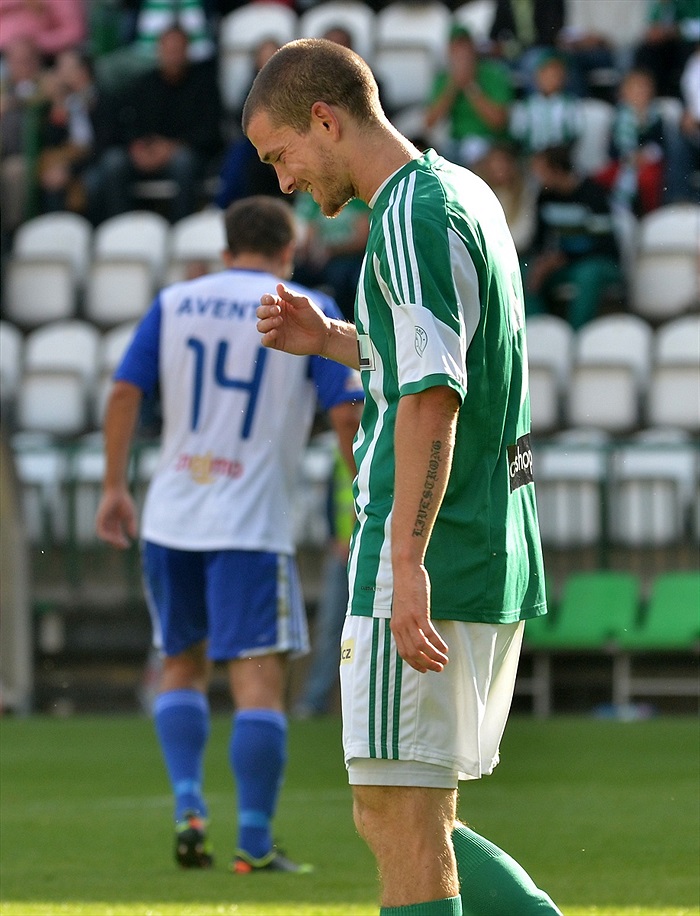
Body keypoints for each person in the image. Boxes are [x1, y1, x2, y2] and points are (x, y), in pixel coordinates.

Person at [244, 37, 562, 916]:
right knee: (409, 809)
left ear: (325, 119)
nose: (284, 182)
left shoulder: (406, 217)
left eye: (281, 156)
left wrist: (407, 561)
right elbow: (439, 357)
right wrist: (330, 340)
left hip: (428, 547)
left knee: (397, 813)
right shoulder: (461, 192)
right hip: (486, 533)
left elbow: (432, 398)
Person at [95, 195, 363, 873]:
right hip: (250, 521)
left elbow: (124, 392)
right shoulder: (305, 305)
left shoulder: (175, 302)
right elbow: (345, 412)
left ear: (226, 248)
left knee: (182, 665)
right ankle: (253, 842)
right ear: (289, 250)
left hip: (171, 515)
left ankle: (188, 804)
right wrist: (365, 491)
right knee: (259, 683)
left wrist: (114, 486)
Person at [92, 24, 222, 223]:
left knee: (183, 162)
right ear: (159, 51)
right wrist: (136, 147)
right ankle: (120, 228)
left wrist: (172, 147)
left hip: (183, 152)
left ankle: (182, 227)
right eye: (168, 50)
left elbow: (210, 132)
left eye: (177, 50)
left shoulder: (204, 85)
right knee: (113, 162)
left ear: (187, 51)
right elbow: (127, 124)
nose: (173, 56)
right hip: (145, 153)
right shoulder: (144, 84)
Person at [525, 144, 623, 329]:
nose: (536, 177)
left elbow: (605, 246)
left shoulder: (593, 193)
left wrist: (562, 259)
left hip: (600, 264)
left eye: (541, 172)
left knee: (588, 273)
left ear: (557, 170)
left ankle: (576, 334)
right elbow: (539, 241)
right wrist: (541, 263)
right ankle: (540, 331)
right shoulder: (545, 197)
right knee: (526, 270)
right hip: (566, 264)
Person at [424, 24, 513, 168]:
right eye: (456, 48)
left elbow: (499, 121)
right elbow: (430, 123)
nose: (461, 54)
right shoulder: (443, 79)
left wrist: (470, 86)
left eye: (465, 47)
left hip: (490, 142)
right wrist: (452, 87)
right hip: (456, 143)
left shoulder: (494, 73)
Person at [595, 68, 666, 215]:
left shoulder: (655, 117)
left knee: (648, 180)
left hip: (647, 163)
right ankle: (616, 215)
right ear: (624, 93)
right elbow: (612, 149)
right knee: (600, 179)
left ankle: (650, 215)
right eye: (634, 89)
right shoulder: (618, 117)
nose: (639, 93)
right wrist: (628, 157)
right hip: (623, 163)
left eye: (643, 88)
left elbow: (660, 144)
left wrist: (645, 155)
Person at [508, 50, 582, 156]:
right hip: (531, 158)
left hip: (560, 158)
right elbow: (517, 137)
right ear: (535, 76)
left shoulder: (572, 105)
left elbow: (574, 135)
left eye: (555, 74)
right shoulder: (524, 106)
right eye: (545, 73)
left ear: (565, 77)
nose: (550, 78)